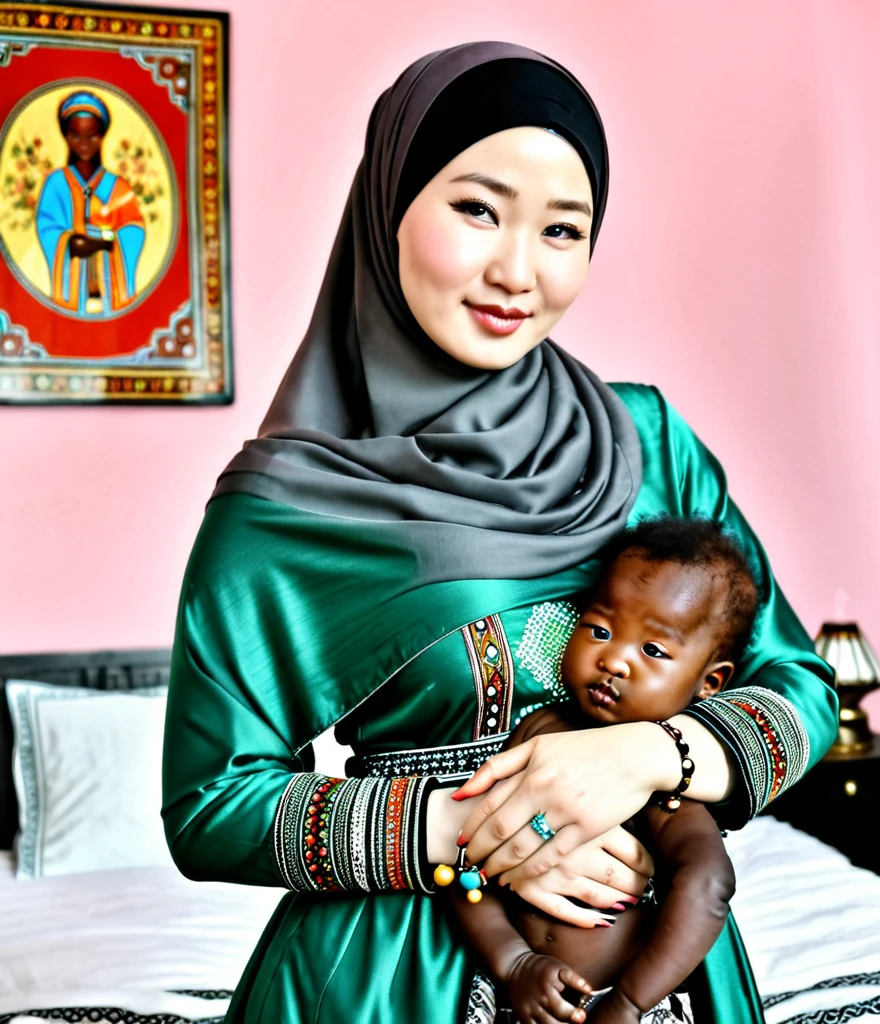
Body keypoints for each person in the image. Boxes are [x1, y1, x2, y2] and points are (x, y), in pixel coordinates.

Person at [161, 42, 838, 1024]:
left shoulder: (645, 442)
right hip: (386, 977)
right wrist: (465, 824)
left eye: (563, 229)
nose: (517, 271)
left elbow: (797, 685)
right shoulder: (283, 509)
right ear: (389, 201)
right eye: (476, 209)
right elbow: (207, 805)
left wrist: (647, 758)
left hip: (651, 978)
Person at [446, 516, 757, 1024]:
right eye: (601, 629)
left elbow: (708, 883)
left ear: (710, 682)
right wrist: (515, 962)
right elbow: (466, 861)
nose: (614, 659)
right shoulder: (535, 737)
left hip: (618, 1002)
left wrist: (630, 1003)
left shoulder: (662, 774)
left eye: (653, 650)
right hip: (515, 995)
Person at [35, 90, 145, 317]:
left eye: (92, 135)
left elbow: (133, 228)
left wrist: (108, 241)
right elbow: (48, 229)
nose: (84, 144)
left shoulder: (118, 187)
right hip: (70, 294)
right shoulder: (56, 184)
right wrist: (72, 241)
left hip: (109, 288)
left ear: (102, 135)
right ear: (66, 136)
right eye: (76, 136)